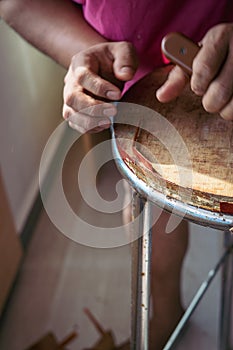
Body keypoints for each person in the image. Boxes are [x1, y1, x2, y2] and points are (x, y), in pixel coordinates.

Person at [1, 1, 233, 349]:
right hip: (140, 84)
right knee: (152, 215)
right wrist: (85, 53)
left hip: (223, 55)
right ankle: (166, 313)